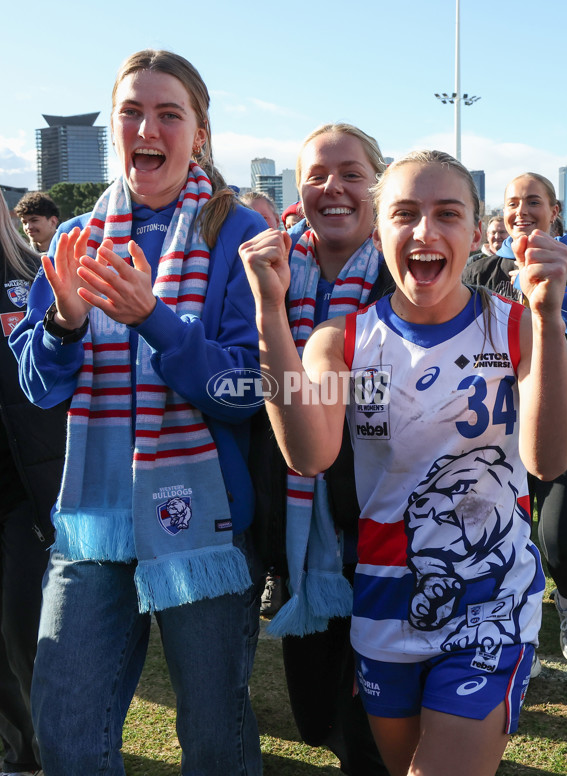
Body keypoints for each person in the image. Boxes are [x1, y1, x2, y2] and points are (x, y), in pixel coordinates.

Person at [240, 149, 567, 776]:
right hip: (385, 603)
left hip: (490, 602)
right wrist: (267, 313)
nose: (425, 232)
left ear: (478, 234)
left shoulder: (515, 329)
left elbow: (548, 459)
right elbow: (310, 453)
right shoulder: (341, 341)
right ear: (379, 230)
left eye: (448, 214)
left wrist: (549, 317)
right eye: (404, 214)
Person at [10, 49, 265, 776]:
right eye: (131, 111)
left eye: (168, 113)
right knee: (65, 734)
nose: (146, 126)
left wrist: (153, 317)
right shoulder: (72, 239)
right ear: (115, 126)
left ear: (199, 132)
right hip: (94, 519)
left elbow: (248, 389)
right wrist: (62, 323)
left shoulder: (237, 233)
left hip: (204, 519)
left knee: (215, 739)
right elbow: (40, 389)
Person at [250, 122, 392, 776]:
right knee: (314, 718)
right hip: (300, 541)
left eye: (351, 173)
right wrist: (267, 310)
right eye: (316, 174)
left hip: (389, 540)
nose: (333, 187)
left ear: (378, 185)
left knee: (373, 731)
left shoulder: (411, 273)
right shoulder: (264, 273)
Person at [463, 172, 567, 667]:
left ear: (555, 211)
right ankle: (512, 625)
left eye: (534, 202)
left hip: (566, 422)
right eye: (513, 203)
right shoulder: (480, 270)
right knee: (494, 540)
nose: (522, 211)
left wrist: (552, 297)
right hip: (492, 429)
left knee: (560, 544)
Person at [0, 191, 67, 776]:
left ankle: (47, 748)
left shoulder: (28, 274)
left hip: (26, 490)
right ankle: (16, 754)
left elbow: (47, 386)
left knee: (26, 631)